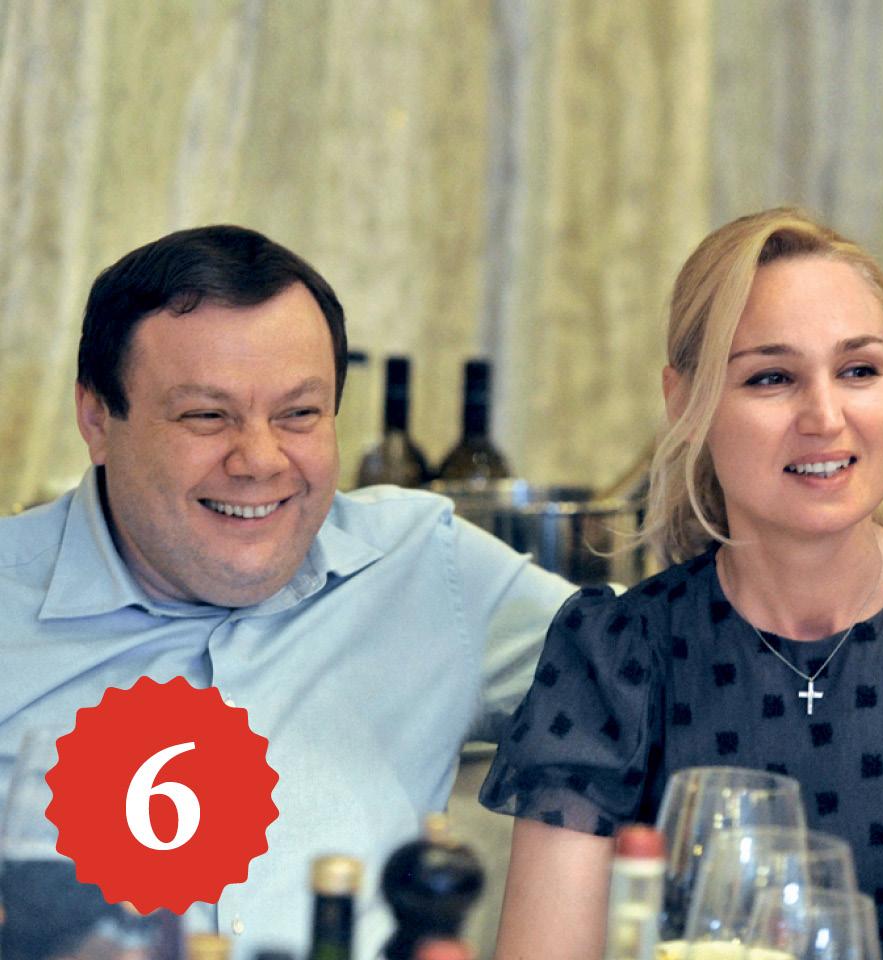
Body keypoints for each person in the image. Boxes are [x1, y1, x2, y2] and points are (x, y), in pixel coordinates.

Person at [0, 225, 577, 960]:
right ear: (96, 420)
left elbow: (666, 670)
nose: (260, 460)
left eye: (299, 414)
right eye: (206, 416)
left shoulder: (429, 569)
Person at [479, 208, 883, 960]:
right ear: (685, 402)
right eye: (772, 377)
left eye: (859, 370)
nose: (825, 416)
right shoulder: (614, 655)